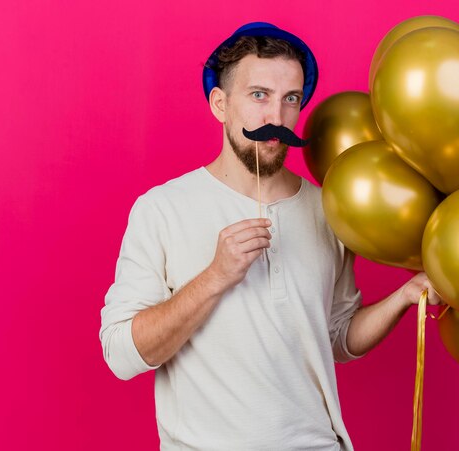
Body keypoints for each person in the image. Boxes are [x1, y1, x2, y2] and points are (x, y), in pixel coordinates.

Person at [99, 22, 441, 451]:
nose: (276, 118)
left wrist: (404, 297)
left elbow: (336, 338)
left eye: (290, 99)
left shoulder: (329, 209)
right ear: (220, 104)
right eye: (259, 95)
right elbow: (122, 355)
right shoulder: (162, 209)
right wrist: (215, 276)